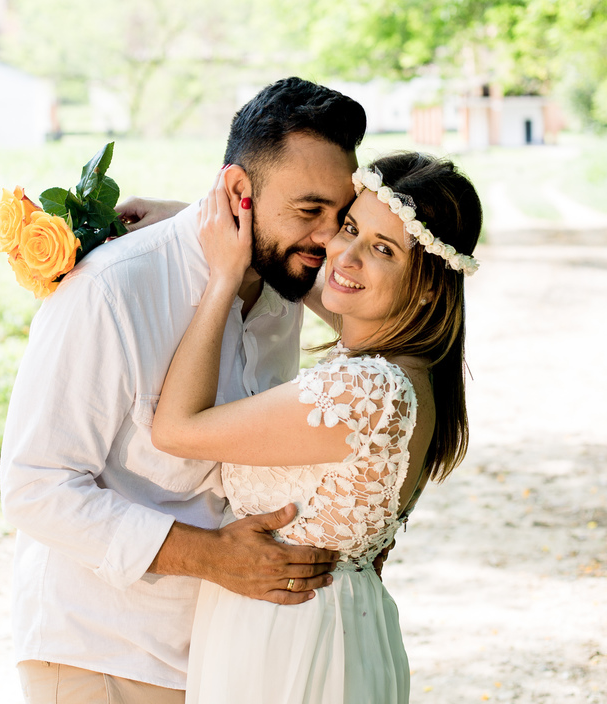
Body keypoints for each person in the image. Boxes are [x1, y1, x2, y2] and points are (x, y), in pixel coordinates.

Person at [0, 77, 367, 704]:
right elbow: (35, 487)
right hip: (103, 651)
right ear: (239, 192)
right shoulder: (112, 290)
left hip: (225, 654)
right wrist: (212, 557)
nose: (328, 239)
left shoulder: (281, 284)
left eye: (341, 215)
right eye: (309, 212)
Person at [150, 151, 482, 703]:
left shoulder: (365, 391)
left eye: (383, 249)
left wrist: (223, 278)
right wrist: (192, 219)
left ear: (428, 285)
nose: (345, 256)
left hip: (291, 639)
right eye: (350, 228)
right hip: (325, 622)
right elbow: (308, 276)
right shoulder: (411, 365)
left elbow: (176, 429)